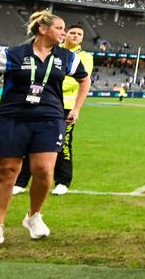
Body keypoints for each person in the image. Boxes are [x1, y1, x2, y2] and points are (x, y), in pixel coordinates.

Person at [0, 11, 90, 250]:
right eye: (60, 28)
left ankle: (33, 216)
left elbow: (84, 79)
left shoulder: (66, 57)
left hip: (49, 118)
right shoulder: (14, 54)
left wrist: (76, 108)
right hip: (12, 118)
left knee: (44, 171)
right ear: (43, 29)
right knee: (7, 172)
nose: (63, 33)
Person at [13, 23, 93, 195]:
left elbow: (76, 81)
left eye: (79, 34)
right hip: (41, 102)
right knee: (30, 140)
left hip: (66, 106)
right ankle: (21, 181)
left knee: (63, 143)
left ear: (82, 39)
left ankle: (63, 181)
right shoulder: (53, 50)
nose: (75, 36)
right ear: (65, 34)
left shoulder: (85, 57)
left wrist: (48, 83)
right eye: (72, 32)